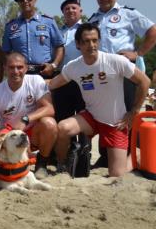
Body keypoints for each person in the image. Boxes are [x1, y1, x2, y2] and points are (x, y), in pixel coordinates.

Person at [49, 23, 150, 177]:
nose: (91, 45)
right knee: (62, 128)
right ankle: (62, 166)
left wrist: (134, 111)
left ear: (99, 41)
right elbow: (53, 84)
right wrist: (27, 82)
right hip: (91, 118)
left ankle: (135, 157)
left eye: (95, 40)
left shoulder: (116, 61)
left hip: (115, 123)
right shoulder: (73, 67)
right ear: (78, 44)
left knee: (117, 174)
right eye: (86, 41)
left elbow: (145, 81)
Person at [88, 0, 156, 166]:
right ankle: (106, 157)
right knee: (105, 114)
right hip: (102, 74)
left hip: (124, 72)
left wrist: (138, 53)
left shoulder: (128, 14)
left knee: (126, 114)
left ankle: (130, 157)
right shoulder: (93, 19)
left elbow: (155, 31)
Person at [0, 52, 58, 179]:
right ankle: (7, 164)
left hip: (32, 131)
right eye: (11, 67)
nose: (16, 71)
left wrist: (26, 119)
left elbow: (49, 108)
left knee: (49, 124)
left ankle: (41, 164)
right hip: (9, 133)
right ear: (5, 68)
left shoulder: (35, 81)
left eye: (19, 67)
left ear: (26, 68)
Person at [2, 0, 64, 79]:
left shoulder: (48, 22)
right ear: (18, 2)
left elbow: (59, 46)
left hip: (44, 73)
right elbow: (6, 52)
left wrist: (53, 65)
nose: (25, 1)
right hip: (21, 75)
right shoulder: (10, 26)